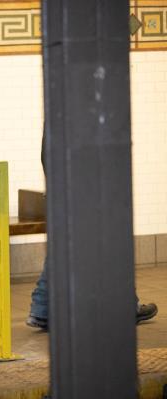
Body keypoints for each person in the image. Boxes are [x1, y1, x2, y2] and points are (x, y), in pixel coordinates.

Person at [26, 129, 158, 330]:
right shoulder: (88, 113)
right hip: (88, 189)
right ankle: (126, 306)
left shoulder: (58, 111)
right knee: (114, 245)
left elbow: (49, 155)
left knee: (61, 250)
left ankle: (42, 310)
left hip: (62, 189)